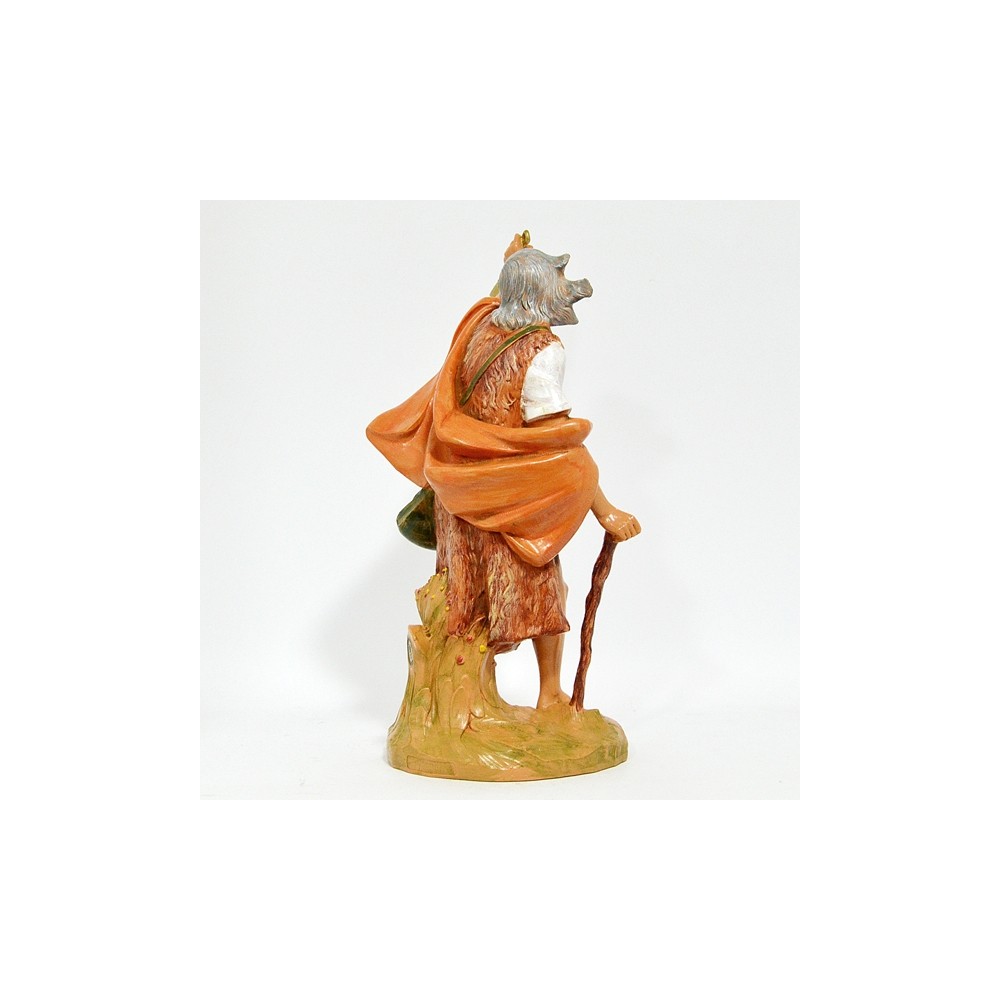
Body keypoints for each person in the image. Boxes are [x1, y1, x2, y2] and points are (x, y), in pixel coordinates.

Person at [367, 236, 640, 709]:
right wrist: (606, 510)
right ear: (539, 293)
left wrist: (512, 262)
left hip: (460, 494)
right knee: (538, 590)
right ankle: (548, 694)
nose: (566, 288)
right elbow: (558, 443)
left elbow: (498, 295)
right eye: (556, 279)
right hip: (512, 497)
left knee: (469, 598)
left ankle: (464, 699)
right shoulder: (544, 349)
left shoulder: (479, 325)